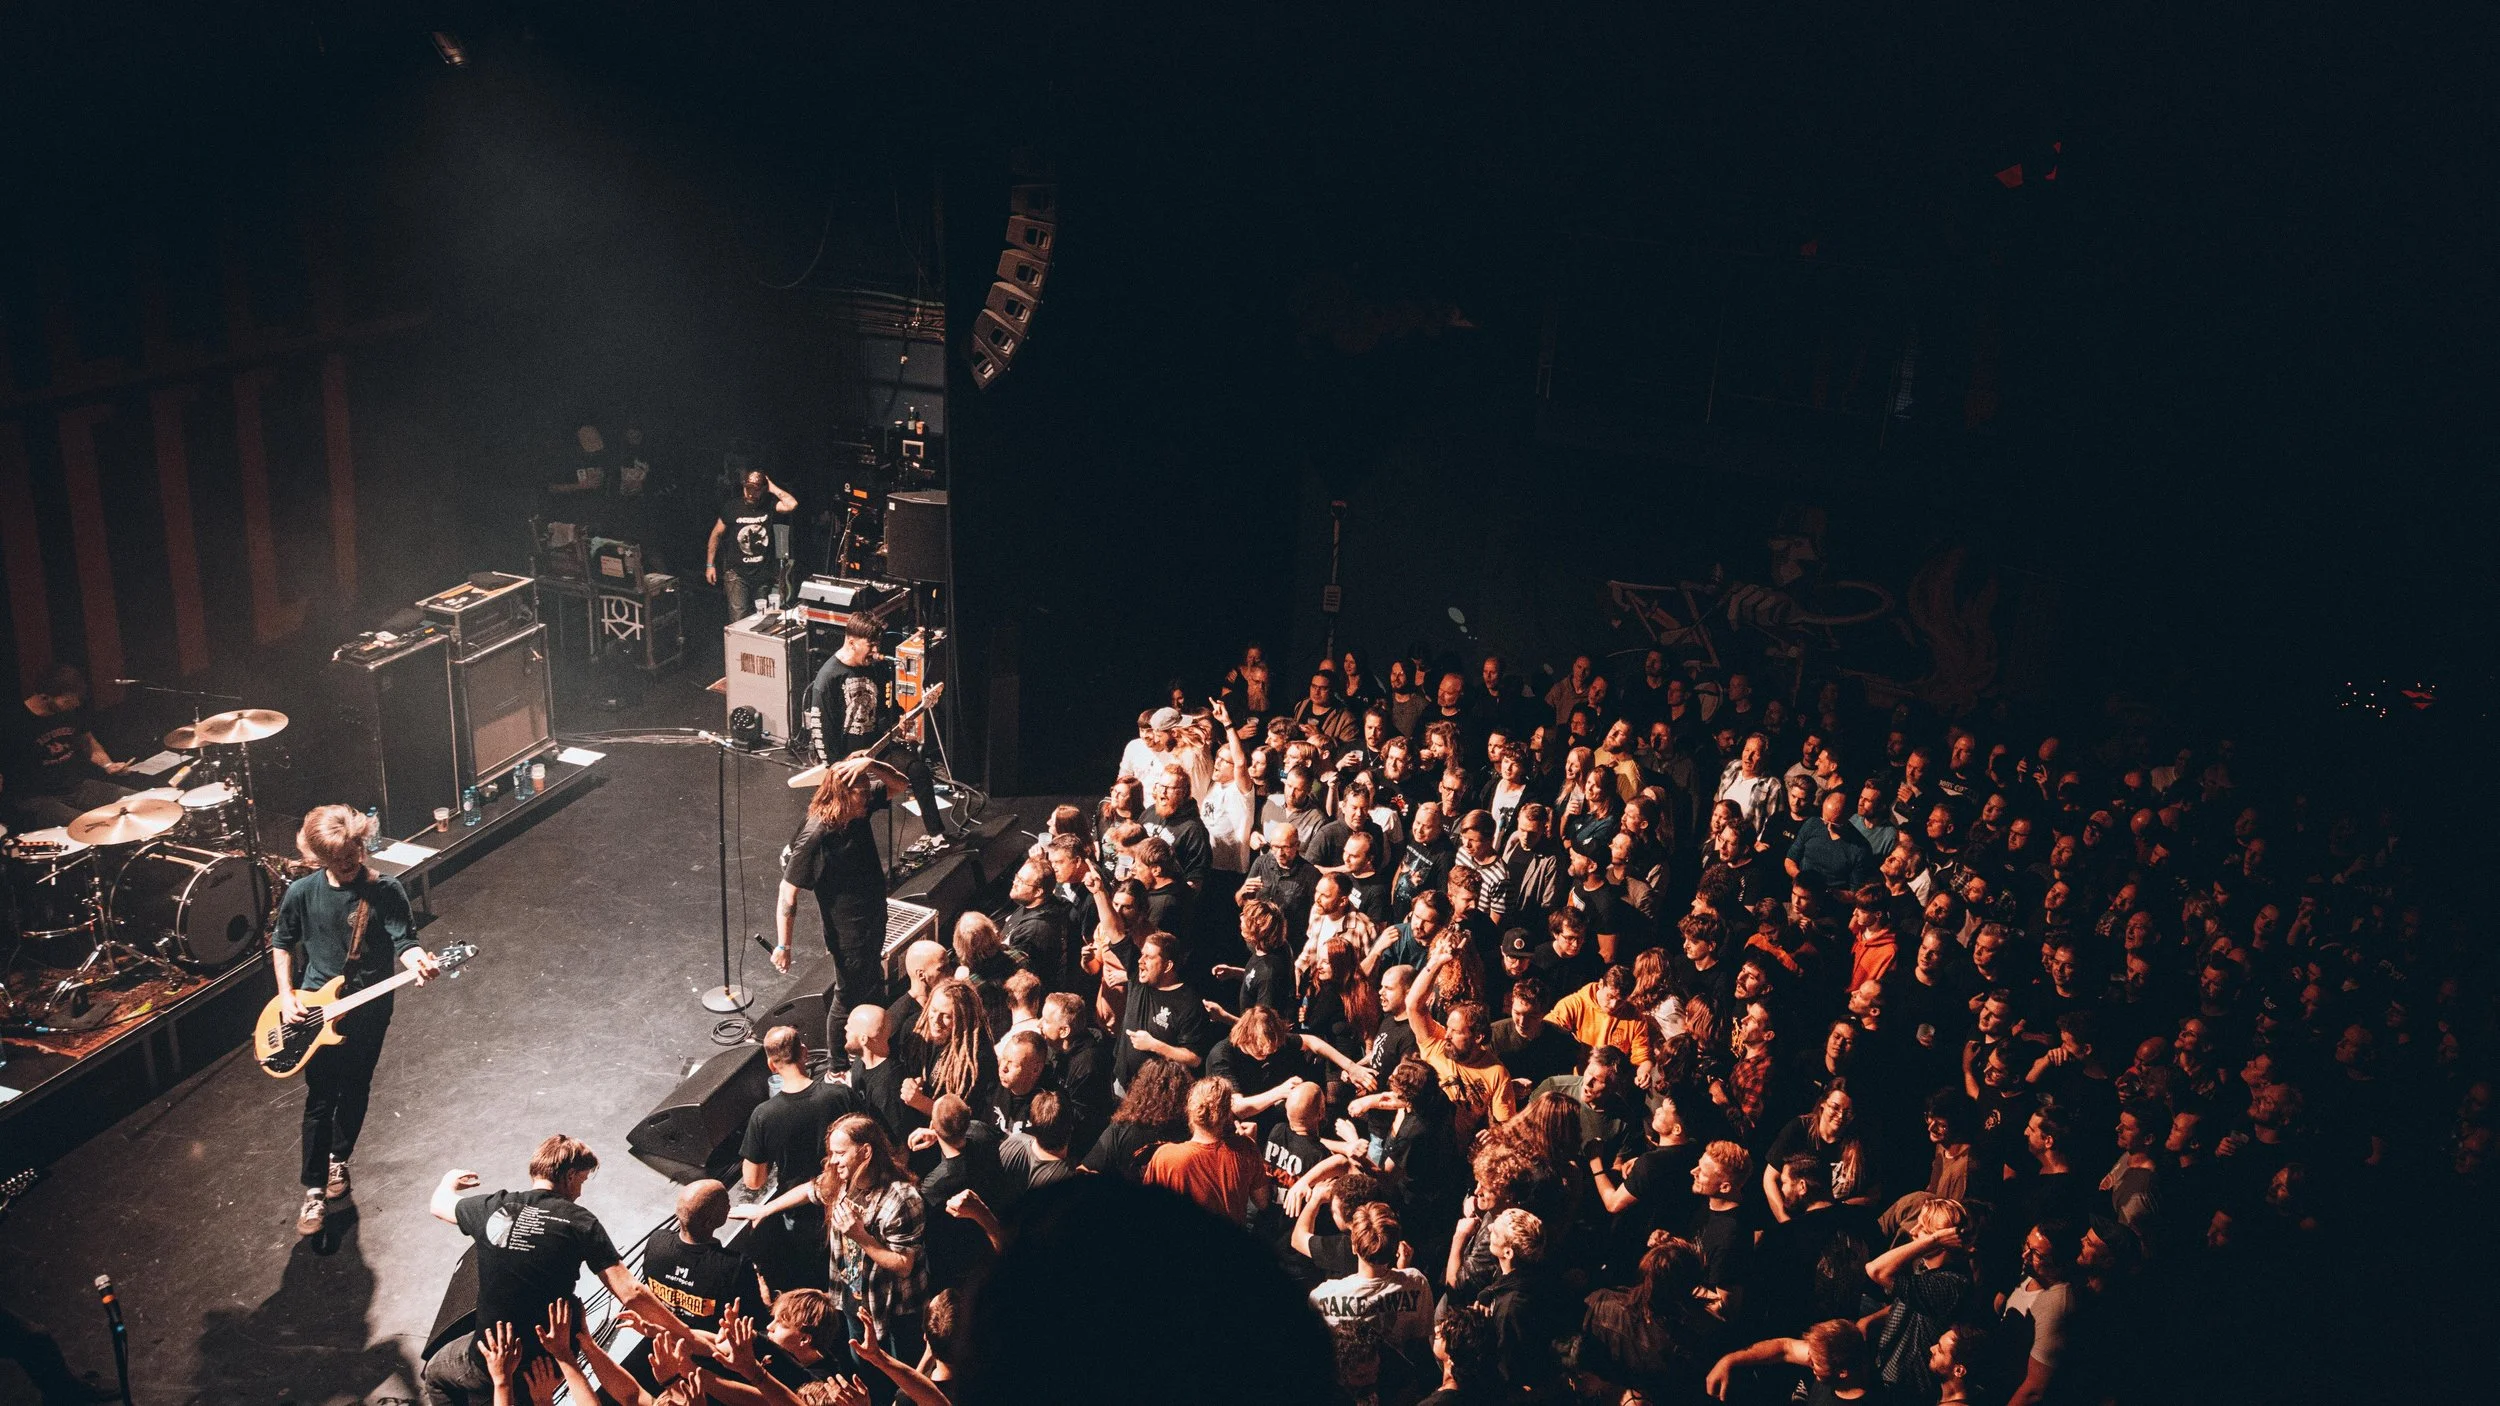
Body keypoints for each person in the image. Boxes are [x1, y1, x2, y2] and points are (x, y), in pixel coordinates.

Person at [420, 1135, 690, 1406]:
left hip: (493, 1358)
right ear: (570, 1175)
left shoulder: (492, 1207)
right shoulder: (580, 1222)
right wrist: (684, 1333)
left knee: (436, 1370)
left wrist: (449, 1181)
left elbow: (439, 1205)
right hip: (551, 1359)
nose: (580, 1191)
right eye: (582, 1180)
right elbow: (630, 1293)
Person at [270, 805, 439, 1236]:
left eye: (355, 852)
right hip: (314, 1011)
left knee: (357, 1086)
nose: (350, 864)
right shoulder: (303, 892)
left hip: (370, 1010)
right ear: (317, 857)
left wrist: (418, 960)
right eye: (339, 859)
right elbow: (282, 943)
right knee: (320, 1099)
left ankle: (337, 1161)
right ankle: (312, 1191)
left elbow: (406, 940)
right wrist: (286, 996)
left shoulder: (386, 891)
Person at [736, 1114, 929, 1370]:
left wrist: (860, 1235)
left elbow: (904, 1264)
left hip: (892, 1309)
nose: (833, 1160)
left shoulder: (902, 1200)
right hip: (852, 1299)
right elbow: (810, 1189)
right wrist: (765, 1210)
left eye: (840, 1152)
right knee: (863, 1368)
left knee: (894, 1371)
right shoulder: (841, 1180)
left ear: (866, 1152)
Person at [775, 755, 913, 1034]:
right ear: (843, 795)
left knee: (873, 976)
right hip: (847, 928)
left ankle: (875, 1031)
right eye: (861, 794)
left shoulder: (856, 809)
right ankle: (837, 1064)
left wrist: (872, 764)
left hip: (873, 911)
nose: (868, 798)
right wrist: (784, 946)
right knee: (846, 996)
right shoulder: (817, 835)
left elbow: (901, 785)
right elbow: (787, 893)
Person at [740, 1025, 859, 1290]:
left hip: (798, 1213)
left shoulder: (763, 1114)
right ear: (804, 1053)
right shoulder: (840, 1095)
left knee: (814, 1280)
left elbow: (754, 1181)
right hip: (846, 1202)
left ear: (771, 1065)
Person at [1309, 1201, 1435, 1406]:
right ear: (1395, 1248)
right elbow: (1419, 1342)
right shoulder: (1416, 1282)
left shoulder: (1322, 1296)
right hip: (1396, 1389)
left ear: (1353, 1245)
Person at [0, 664, 133, 830]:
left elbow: (87, 742)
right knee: (94, 827)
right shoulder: (12, 723)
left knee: (137, 802)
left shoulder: (68, 712)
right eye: (68, 700)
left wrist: (108, 764)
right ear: (44, 697)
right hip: (37, 799)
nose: (75, 704)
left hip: (76, 787)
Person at [1144, 1075, 1269, 1225]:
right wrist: (1252, 1147)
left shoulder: (1166, 1157)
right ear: (1227, 1114)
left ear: (1190, 1109)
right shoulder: (1245, 1148)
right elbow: (1262, 1201)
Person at [708, 468, 797, 618]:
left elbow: (792, 504)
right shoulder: (732, 507)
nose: (750, 493)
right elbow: (715, 535)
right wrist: (710, 565)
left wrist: (772, 487)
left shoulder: (768, 505)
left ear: (763, 489)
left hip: (761, 573)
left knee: (761, 618)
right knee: (738, 618)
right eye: (747, 489)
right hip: (737, 574)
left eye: (755, 490)